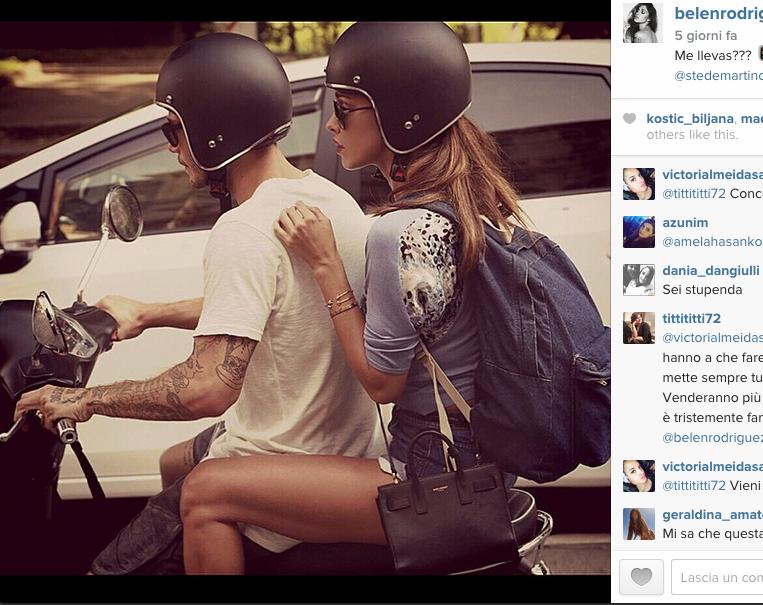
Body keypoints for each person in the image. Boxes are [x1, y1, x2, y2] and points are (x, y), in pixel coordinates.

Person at [13, 33, 384, 574]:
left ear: (215, 129)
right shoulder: (330, 200)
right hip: (341, 444)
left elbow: (207, 389)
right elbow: (279, 307)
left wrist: (85, 399)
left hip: (283, 463)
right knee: (173, 463)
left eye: (174, 129)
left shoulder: (244, 229)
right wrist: (149, 314)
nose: (172, 146)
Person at [176, 22, 532, 574]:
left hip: (429, 473)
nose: (330, 125)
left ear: (399, 118)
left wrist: (326, 265)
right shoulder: (465, 205)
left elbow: (383, 384)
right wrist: (155, 314)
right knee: (188, 466)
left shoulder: (399, 233)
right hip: (476, 456)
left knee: (204, 492)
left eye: (344, 110)